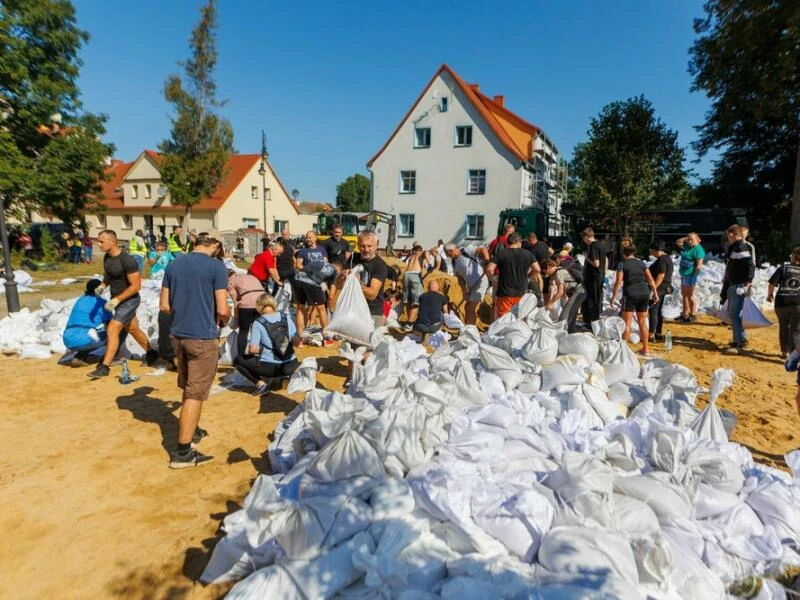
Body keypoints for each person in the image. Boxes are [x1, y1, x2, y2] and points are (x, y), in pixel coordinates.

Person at [160, 234, 229, 468]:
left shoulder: (174, 263)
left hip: (178, 335)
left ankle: (192, 429)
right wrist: (225, 317)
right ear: (216, 245)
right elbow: (222, 308)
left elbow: (164, 305)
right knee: (195, 393)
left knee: (189, 387)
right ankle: (182, 453)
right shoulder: (216, 267)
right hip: (202, 337)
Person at [87, 230, 159, 378]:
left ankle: (104, 367)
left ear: (113, 242)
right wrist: (102, 286)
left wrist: (117, 300)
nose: (98, 244)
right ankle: (152, 353)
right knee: (132, 329)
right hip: (118, 300)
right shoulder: (108, 257)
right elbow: (109, 276)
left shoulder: (127, 260)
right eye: (99, 241)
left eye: (102, 241)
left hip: (129, 300)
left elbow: (136, 286)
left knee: (113, 328)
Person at [233, 293, 301, 396]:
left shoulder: (258, 323)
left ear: (259, 307)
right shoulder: (286, 317)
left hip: (271, 368)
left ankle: (261, 384)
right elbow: (297, 342)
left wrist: (263, 350)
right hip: (291, 364)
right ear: (273, 303)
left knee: (238, 361)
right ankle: (286, 377)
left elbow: (252, 349)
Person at [610, 245, 659, 355]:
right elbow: (650, 279)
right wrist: (655, 293)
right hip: (644, 293)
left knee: (627, 323)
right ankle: (646, 349)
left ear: (623, 253)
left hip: (630, 293)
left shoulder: (622, 264)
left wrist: (613, 297)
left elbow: (618, 282)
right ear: (634, 253)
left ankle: (624, 350)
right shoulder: (641, 263)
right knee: (642, 321)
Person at [60, 279, 117, 365]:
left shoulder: (80, 300)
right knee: (112, 335)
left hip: (67, 338)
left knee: (91, 334)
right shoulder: (102, 303)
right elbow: (111, 324)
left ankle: (78, 357)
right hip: (83, 339)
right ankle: (105, 358)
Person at [485, 232, 536, 318]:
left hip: (505, 293)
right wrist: (529, 276)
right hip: (521, 292)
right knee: (519, 318)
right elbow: (537, 269)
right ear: (517, 241)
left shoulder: (501, 253)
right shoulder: (528, 254)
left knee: (503, 319)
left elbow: (489, 269)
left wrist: (493, 278)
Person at [723, 225, 755, 354]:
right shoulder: (736, 247)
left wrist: (747, 283)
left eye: (729, 235)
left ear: (732, 235)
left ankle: (740, 341)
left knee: (734, 314)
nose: (728, 238)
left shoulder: (740, 247)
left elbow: (750, 266)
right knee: (733, 314)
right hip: (735, 284)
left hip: (738, 285)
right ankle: (738, 339)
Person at [346, 230, 389, 327]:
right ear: (357, 245)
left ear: (376, 245)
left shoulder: (380, 265)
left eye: (369, 246)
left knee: (369, 342)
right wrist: (342, 277)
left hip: (372, 313)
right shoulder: (353, 259)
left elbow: (372, 294)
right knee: (351, 342)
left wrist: (355, 282)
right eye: (362, 246)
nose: (366, 249)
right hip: (353, 310)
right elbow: (340, 286)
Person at [445, 243, 490, 326]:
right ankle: (467, 327)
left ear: (451, 251)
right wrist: (464, 291)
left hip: (480, 282)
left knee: (470, 307)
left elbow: (482, 249)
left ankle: (471, 328)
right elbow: (460, 278)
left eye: (448, 254)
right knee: (467, 307)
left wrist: (487, 262)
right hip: (471, 286)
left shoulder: (466, 251)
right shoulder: (454, 263)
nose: (448, 257)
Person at [768, 247, 800, 359]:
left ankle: (784, 352)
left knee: (783, 326)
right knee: (795, 330)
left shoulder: (784, 268)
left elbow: (772, 283)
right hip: (797, 304)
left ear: (793, 256)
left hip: (781, 303)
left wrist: (769, 295)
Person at [228, 267, 266, 358]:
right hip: (262, 302)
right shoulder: (249, 276)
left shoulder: (230, 281)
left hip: (247, 305)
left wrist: (236, 317)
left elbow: (236, 301)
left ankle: (241, 358)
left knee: (243, 331)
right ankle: (262, 354)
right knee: (260, 330)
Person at [543, 259, 586, 333]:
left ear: (548, 267)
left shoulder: (559, 272)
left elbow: (560, 292)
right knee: (571, 317)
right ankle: (570, 334)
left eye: (545, 271)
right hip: (575, 293)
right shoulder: (553, 276)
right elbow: (557, 291)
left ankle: (560, 336)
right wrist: (550, 302)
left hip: (579, 292)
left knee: (563, 317)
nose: (545, 274)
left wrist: (550, 303)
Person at [647, 240, 674, 342]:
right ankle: (658, 333)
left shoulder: (662, 259)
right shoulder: (668, 258)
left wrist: (654, 289)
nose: (651, 252)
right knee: (658, 311)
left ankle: (651, 335)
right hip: (665, 287)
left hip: (659, 288)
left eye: (652, 250)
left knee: (653, 311)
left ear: (656, 250)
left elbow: (661, 275)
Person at [676, 232, 705, 322]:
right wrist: (687, 237)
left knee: (690, 295)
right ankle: (685, 313)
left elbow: (699, 265)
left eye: (692, 240)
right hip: (684, 274)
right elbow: (678, 242)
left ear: (697, 239)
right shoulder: (688, 246)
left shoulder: (699, 250)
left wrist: (694, 278)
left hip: (691, 275)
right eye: (689, 240)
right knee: (684, 294)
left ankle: (693, 314)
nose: (690, 241)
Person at [580, 227, 606, 325]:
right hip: (600, 275)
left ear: (586, 237)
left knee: (592, 299)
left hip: (594, 276)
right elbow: (605, 259)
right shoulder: (601, 245)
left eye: (583, 238)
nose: (584, 241)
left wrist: (587, 258)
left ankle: (592, 322)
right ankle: (595, 321)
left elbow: (596, 263)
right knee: (597, 299)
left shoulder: (593, 246)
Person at [413, 280, 449, 344]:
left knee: (424, 311)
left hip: (421, 326)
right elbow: (446, 313)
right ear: (438, 288)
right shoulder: (442, 297)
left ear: (428, 288)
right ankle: (435, 333)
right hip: (434, 326)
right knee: (440, 313)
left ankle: (424, 332)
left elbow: (416, 309)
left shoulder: (422, 296)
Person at [402, 245, 428, 329]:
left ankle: (408, 321)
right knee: (416, 301)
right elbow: (427, 252)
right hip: (415, 275)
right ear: (420, 250)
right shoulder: (420, 254)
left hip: (406, 275)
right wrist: (429, 263)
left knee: (409, 300)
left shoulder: (411, 257)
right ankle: (410, 323)